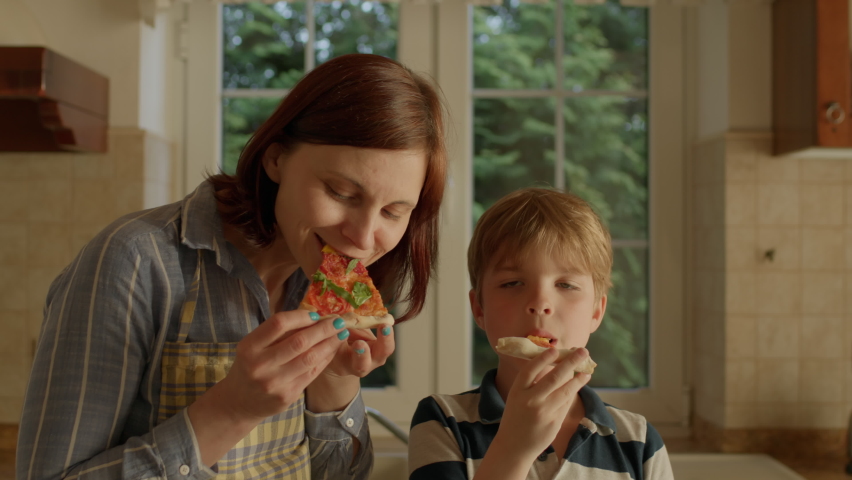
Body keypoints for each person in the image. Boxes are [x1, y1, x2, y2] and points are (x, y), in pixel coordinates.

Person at [17, 53, 447, 480]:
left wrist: (333, 379)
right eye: (341, 192)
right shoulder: (132, 261)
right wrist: (232, 409)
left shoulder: (323, 279)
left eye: (393, 211)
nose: (363, 236)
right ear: (275, 158)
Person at [407, 187, 673, 480]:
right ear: (479, 308)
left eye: (566, 285)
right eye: (512, 283)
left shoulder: (640, 442)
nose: (539, 304)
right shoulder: (443, 422)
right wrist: (514, 448)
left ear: (597, 311)